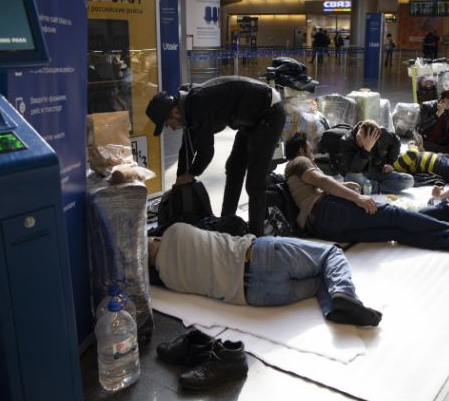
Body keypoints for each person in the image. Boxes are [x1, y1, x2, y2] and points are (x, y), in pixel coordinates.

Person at [149, 223, 382, 326]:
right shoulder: (176, 231)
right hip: (262, 256)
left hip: (259, 296)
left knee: (321, 279)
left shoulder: (169, 280)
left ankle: (333, 309)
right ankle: (343, 293)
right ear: (156, 238)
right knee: (330, 253)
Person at [284, 133, 449, 253]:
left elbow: (319, 185)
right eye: (309, 147)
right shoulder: (299, 161)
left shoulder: (291, 169)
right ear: (301, 149)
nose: (312, 150)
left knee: (394, 232)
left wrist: (345, 187)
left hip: (323, 226)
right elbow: (322, 181)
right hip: (329, 211)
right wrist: (357, 197)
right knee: (395, 215)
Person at [145, 76, 286, 237]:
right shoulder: (188, 108)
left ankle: (257, 240)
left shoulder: (196, 104)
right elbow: (187, 149)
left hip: (269, 113)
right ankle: (227, 224)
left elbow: (206, 152)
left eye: (167, 124)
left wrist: (190, 174)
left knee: (255, 183)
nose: (171, 128)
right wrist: (181, 179)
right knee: (233, 169)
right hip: (251, 119)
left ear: (175, 112)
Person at [317, 120, 413, 194]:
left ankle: (371, 187)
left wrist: (390, 162)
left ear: (374, 137)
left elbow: (396, 142)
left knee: (408, 180)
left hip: (376, 171)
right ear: (359, 128)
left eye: (362, 138)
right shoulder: (346, 141)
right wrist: (366, 150)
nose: (358, 138)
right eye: (359, 136)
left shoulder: (382, 134)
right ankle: (376, 187)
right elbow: (351, 170)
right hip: (358, 174)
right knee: (351, 179)